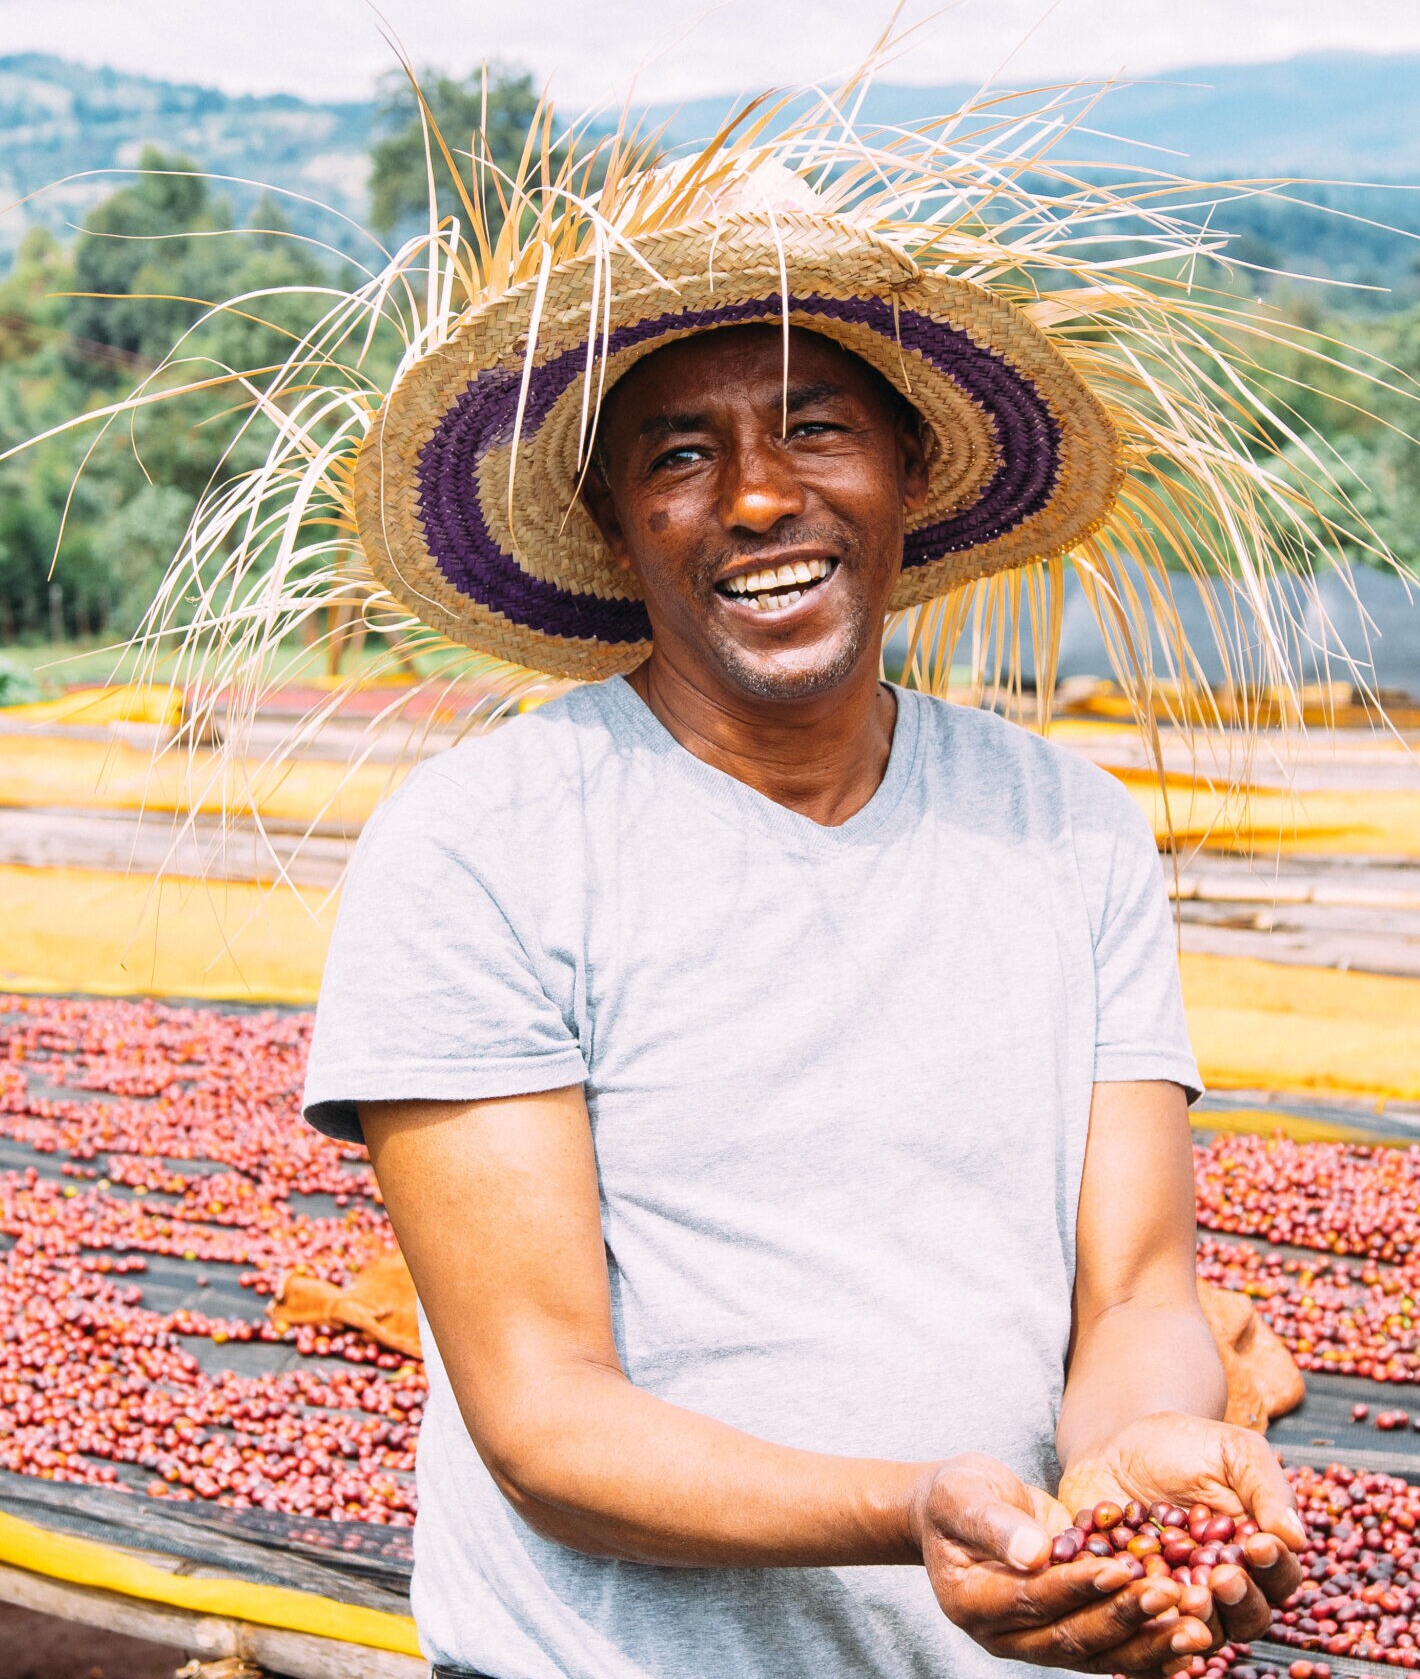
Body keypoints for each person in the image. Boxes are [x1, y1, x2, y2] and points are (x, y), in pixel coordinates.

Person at [300, 150, 1307, 1679]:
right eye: (680, 454)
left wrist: (1136, 1461)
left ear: (906, 469)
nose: (760, 496)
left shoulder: (1064, 832)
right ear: (616, 522)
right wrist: (911, 1508)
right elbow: (545, 1421)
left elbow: (1137, 1288)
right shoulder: (480, 848)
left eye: (815, 429)